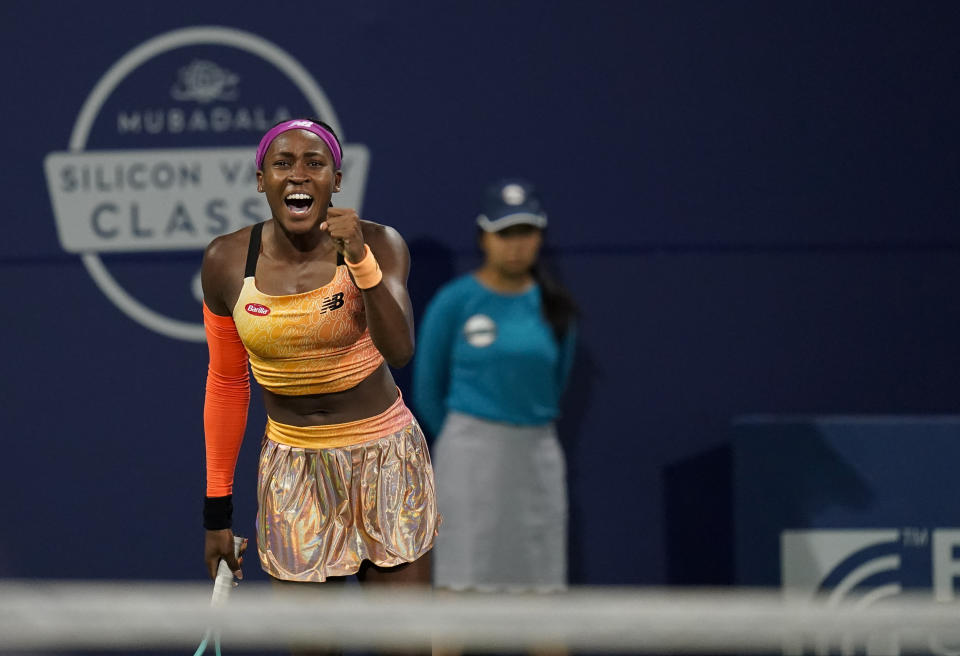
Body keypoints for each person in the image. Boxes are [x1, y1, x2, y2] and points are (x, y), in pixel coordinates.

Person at [200, 119, 437, 605]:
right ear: (261, 179)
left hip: (385, 460)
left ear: (337, 179)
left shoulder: (380, 243)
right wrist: (217, 514)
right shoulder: (225, 260)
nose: (298, 176)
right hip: (294, 474)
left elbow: (400, 351)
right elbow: (226, 385)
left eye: (315, 163)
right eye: (282, 164)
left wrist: (360, 260)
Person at [413, 179, 577, 593]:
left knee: (544, 589)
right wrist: (468, 433)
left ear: (540, 237)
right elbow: (428, 389)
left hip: (537, 453)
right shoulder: (455, 301)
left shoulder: (555, 306)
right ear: (483, 236)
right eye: (505, 233)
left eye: (526, 232)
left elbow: (555, 385)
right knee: (458, 584)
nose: (516, 245)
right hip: (469, 455)